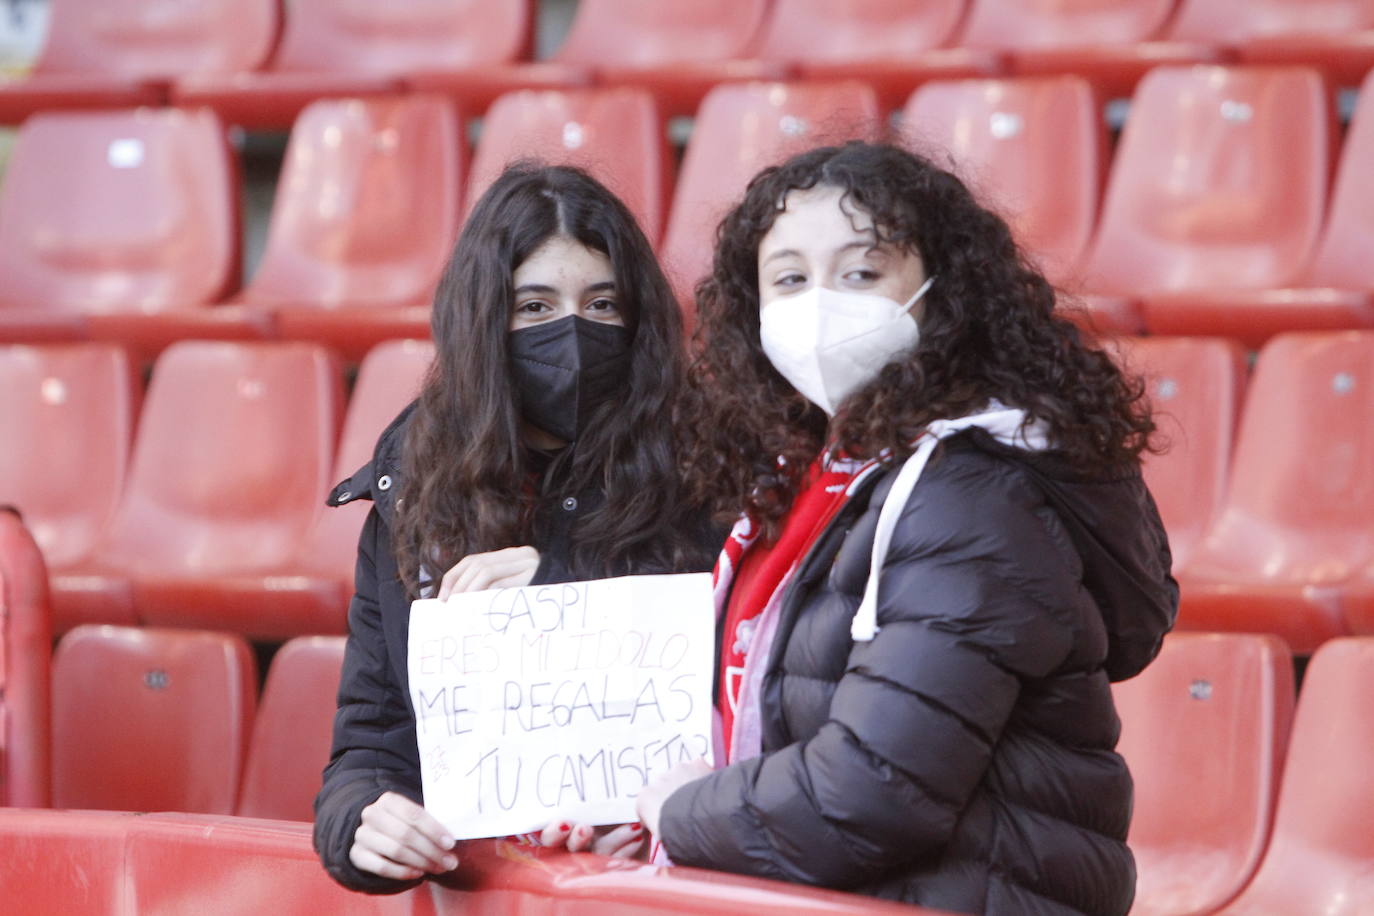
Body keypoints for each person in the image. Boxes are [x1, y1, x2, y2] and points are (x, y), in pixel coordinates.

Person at [634, 142, 1179, 916]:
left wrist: (684, 811)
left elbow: (872, 792)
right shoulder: (815, 480)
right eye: (788, 278)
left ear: (942, 291)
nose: (820, 303)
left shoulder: (969, 498)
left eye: (861, 272)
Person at [314, 163, 721, 894]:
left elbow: (748, 689)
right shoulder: (413, 491)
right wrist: (362, 823)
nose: (573, 332)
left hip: (662, 889)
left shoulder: (707, 471)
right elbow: (372, 737)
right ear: (482, 322)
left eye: (603, 304)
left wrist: (559, 590)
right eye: (535, 307)